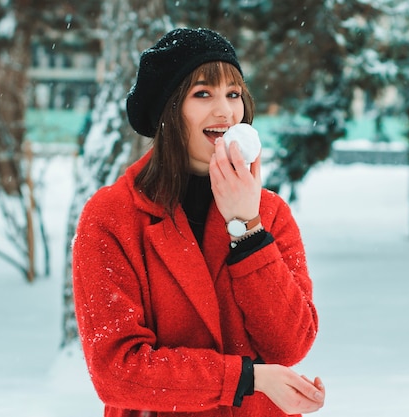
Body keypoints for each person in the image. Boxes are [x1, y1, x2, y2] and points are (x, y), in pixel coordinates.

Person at [72, 27, 325, 417]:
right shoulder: (112, 216)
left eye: (233, 94)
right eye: (202, 94)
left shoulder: (270, 213)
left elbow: (290, 345)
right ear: (168, 110)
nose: (225, 111)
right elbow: (116, 371)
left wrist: (248, 228)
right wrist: (246, 379)